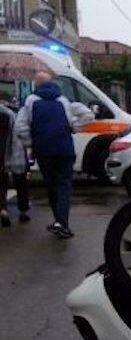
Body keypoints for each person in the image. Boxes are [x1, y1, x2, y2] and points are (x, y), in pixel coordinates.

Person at [14, 71, 95, 239]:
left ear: (36, 84)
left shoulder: (29, 101)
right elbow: (88, 115)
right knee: (64, 185)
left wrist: (31, 142)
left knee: (51, 185)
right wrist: (73, 127)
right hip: (65, 149)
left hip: (43, 151)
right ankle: (61, 222)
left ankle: (59, 222)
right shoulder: (63, 100)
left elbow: (20, 126)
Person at [0, 96, 31, 228]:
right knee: (21, 180)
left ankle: (3, 209)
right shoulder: (10, 113)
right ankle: (23, 210)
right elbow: (18, 133)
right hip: (14, 152)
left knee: (1, 182)